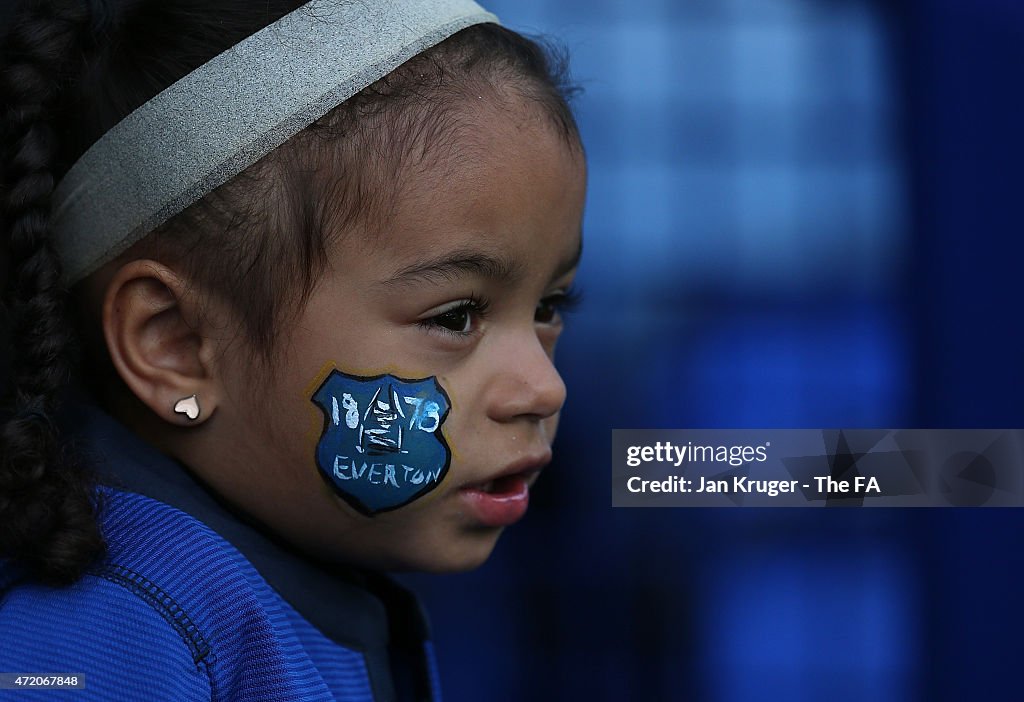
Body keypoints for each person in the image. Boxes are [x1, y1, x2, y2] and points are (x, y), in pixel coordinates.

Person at [0, 0, 586, 698]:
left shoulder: (290, 573)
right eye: (456, 316)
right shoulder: (106, 639)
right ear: (176, 345)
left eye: (548, 307)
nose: (543, 388)